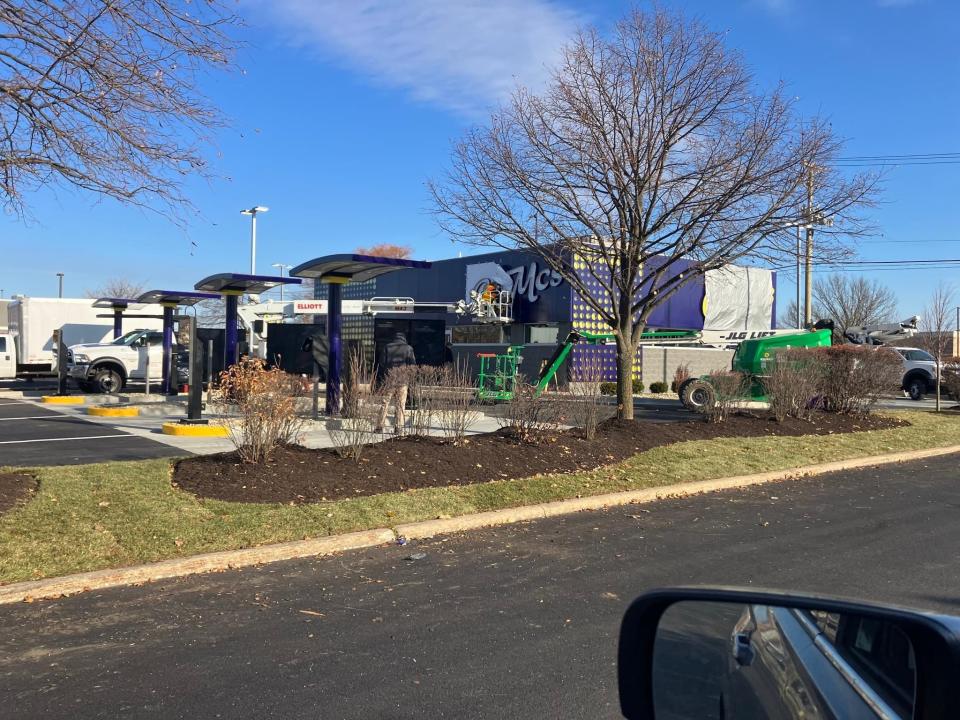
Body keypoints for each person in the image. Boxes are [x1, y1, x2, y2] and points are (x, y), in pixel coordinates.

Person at [376, 331, 416, 432]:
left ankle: (379, 427)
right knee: (400, 404)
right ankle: (398, 428)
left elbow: (381, 365)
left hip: (389, 380)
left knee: (384, 403)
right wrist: (410, 379)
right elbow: (412, 366)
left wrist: (380, 379)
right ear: (404, 339)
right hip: (403, 381)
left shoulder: (387, 347)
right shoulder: (408, 348)